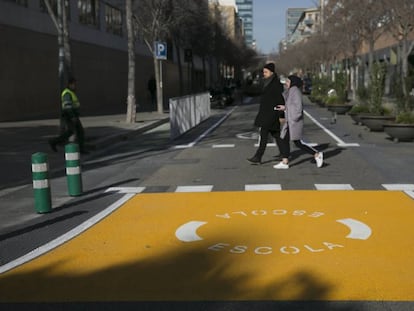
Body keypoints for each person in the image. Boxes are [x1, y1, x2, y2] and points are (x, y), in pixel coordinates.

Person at [273, 75, 323, 169]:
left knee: (297, 142)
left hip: (294, 122)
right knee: (284, 139)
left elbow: (298, 108)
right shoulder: (291, 91)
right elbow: (291, 105)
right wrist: (284, 108)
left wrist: (292, 116)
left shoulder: (294, 91)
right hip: (290, 121)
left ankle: (316, 154)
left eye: (287, 81)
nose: (286, 83)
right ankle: (285, 162)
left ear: (292, 82)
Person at [247, 62, 286, 164]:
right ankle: (284, 153)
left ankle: (258, 157)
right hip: (267, 113)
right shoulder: (267, 82)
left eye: (266, 72)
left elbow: (280, 100)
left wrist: (281, 115)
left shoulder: (275, 84)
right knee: (276, 134)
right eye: (263, 72)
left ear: (271, 72)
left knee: (263, 135)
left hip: (271, 114)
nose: (264, 73)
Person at [49, 77, 87, 154]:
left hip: (72, 115)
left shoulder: (70, 92)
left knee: (78, 132)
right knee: (73, 132)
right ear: (70, 84)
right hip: (69, 115)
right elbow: (68, 106)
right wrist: (72, 116)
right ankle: (53, 141)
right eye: (74, 84)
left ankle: (81, 149)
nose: (75, 86)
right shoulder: (67, 93)